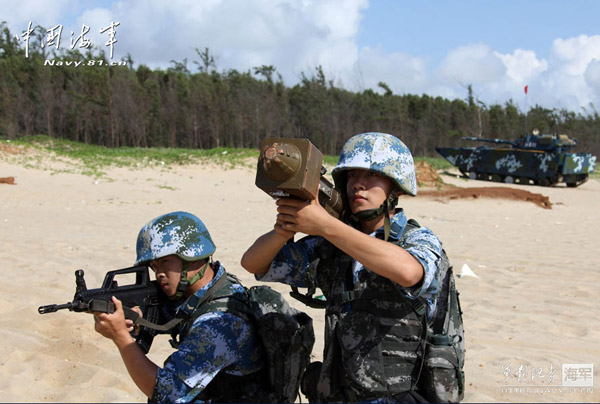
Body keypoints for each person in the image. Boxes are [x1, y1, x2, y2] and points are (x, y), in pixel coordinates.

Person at [241, 132, 445, 403]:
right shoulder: (330, 244)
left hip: (400, 395)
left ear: (395, 187)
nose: (358, 184)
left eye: (371, 175)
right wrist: (286, 226)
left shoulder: (417, 239)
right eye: (351, 176)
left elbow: (409, 272)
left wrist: (326, 225)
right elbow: (254, 263)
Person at [93, 211, 266, 403]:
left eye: (164, 262)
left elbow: (166, 393)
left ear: (194, 255)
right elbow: (170, 313)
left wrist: (121, 338)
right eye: (154, 266)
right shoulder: (216, 286)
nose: (158, 273)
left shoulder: (219, 322)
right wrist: (137, 315)